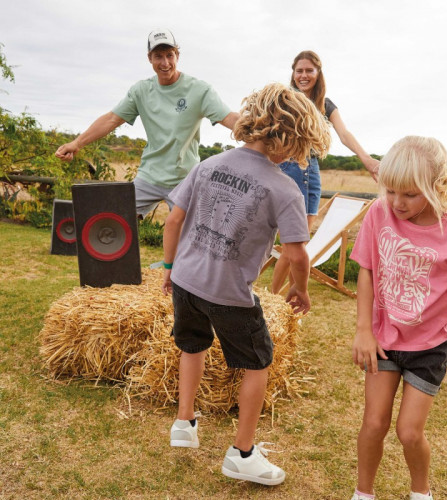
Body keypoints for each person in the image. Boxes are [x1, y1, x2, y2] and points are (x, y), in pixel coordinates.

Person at [160, 82, 331, 485]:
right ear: (292, 138)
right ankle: (243, 453)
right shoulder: (284, 189)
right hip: (230, 295)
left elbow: (173, 220)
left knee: (192, 344)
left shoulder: (208, 165)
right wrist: (301, 289)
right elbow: (296, 254)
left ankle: (183, 423)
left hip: (185, 282)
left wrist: (169, 266)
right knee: (258, 363)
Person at [349, 136, 447, 500]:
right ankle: (362, 494)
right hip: (383, 340)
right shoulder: (379, 213)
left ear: (437, 186)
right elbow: (367, 269)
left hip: (429, 347)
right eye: (391, 191)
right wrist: (364, 330)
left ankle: (421, 493)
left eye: (410, 195)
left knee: (409, 432)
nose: (397, 203)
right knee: (373, 423)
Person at [55, 28, 239, 218]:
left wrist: (264, 128)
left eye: (170, 55)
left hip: (185, 181)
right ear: (149, 58)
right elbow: (111, 119)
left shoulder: (199, 90)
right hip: (149, 177)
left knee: (185, 238)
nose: (165, 63)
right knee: (113, 221)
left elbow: (229, 118)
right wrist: (76, 143)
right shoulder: (141, 91)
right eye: (158, 56)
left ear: (177, 55)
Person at [271, 50, 379, 293]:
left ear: (318, 73)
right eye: (299, 70)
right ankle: (268, 302)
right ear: (293, 73)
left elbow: (344, 134)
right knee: (292, 246)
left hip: (311, 174)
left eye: (309, 70)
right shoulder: (284, 100)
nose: (304, 75)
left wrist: (367, 159)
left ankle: (284, 304)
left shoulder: (325, 105)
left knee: (298, 245)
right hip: (286, 169)